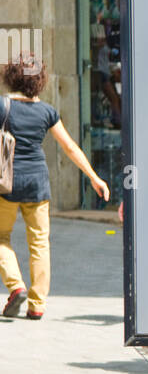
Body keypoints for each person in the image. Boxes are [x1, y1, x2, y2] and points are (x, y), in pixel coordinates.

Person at [1, 55, 109, 320]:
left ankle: (16, 286)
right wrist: (94, 177)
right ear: (39, 82)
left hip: (6, 183)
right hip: (37, 182)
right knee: (39, 243)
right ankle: (37, 304)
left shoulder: (3, 106)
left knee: (1, 237)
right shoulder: (47, 112)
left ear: (12, 77)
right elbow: (70, 147)